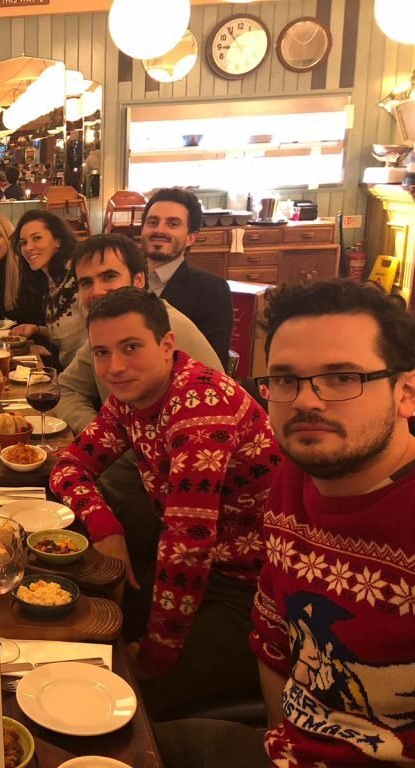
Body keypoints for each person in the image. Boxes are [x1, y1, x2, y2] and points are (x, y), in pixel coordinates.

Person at [158, 280, 415, 768]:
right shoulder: (292, 479)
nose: (306, 401)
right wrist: (283, 748)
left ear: (406, 393)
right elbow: (275, 641)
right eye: (285, 379)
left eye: (341, 377)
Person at [50, 287, 281, 721]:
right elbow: (67, 467)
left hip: (253, 589)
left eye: (131, 348)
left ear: (166, 345)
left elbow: (189, 545)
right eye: (102, 352)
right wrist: (107, 529)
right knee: (78, 621)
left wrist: (155, 656)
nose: (115, 367)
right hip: (192, 569)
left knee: (123, 702)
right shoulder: (131, 397)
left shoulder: (199, 404)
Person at [54, 233, 224, 572]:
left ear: (140, 280)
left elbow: (186, 549)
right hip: (144, 491)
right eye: (86, 282)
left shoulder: (163, 340)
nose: (97, 291)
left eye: (109, 276)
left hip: (218, 551)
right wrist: (100, 437)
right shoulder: (112, 329)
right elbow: (67, 390)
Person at [141, 187, 233, 368]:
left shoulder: (211, 291)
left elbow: (211, 368)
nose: (159, 230)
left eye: (172, 224)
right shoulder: (125, 281)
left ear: (191, 237)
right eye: (152, 222)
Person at [10, 209, 86, 369]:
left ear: (57, 241)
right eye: (23, 242)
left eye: (36, 238)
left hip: (86, 378)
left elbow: (94, 337)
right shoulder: (50, 282)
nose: (29, 247)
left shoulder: (78, 277)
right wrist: (37, 329)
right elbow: (68, 330)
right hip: (68, 373)